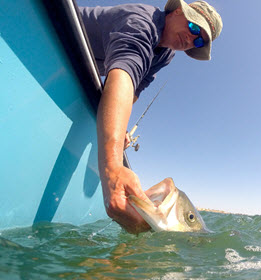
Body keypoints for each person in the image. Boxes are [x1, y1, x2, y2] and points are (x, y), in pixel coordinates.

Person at [79, 0, 223, 233]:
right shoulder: (143, 21)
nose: (191, 39)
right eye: (194, 28)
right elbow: (124, 74)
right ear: (177, 11)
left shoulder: (166, 55)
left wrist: (120, 128)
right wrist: (112, 168)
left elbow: (134, 89)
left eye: (198, 41)